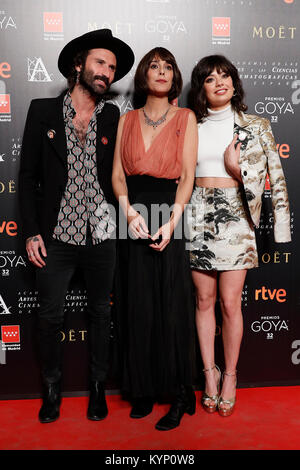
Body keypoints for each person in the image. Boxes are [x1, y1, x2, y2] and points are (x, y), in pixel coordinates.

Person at [18, 29, 134, 423]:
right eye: (100, 62)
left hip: (102, 234)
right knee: (50, 315)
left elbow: (120, 174)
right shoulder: (42, 111)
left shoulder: (113, 116)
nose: (107, 72)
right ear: (78, 65)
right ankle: (51, 387)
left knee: (102, 313)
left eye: (113, 68)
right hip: (57, 236)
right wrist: (32, 230)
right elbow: (29, 175)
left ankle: (98, 386)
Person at [187, 54, 291, 417]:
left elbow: (275, 180)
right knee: (203, 301)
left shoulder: (257, 125)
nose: (220, 82)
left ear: (235, 82)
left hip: (238, 218)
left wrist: (237, 170)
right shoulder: (190, 125)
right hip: (197, 215)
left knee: (230, 304)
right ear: (200, 87)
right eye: (211, 78)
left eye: (226, 75)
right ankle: (209, 374)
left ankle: (230, 374)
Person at [112, 47, 198, 431]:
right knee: (138, 304)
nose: (161, 72)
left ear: (174, 76)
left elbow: (187, 178)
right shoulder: (126, 119)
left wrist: (172, 221)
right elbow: (117, 174)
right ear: (144, 76)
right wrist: (128, 213)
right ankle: (143, 389)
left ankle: (179, 393)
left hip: (169, 215)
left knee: (172, 305)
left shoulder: (185, 117)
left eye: (167, 67)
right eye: (153, 66)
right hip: (132, 217)